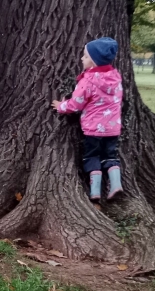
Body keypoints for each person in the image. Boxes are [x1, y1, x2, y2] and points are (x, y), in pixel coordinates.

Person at [52, 38, 123, 201]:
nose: (81, 58)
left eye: (85, 56)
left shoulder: (88, 81)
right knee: (110, 156)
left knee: (92, 156)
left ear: (94, 61)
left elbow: (76, 104)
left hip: (93, 129)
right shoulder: (115, 77)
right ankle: (116, 184)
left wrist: (61, 106)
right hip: (112, 128)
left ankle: (95, 192)